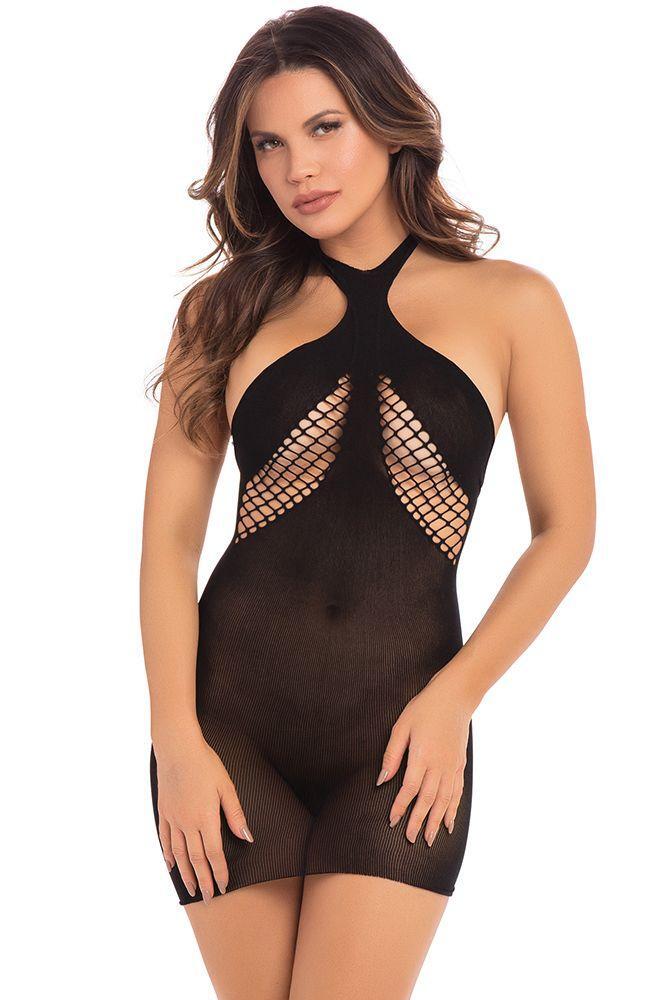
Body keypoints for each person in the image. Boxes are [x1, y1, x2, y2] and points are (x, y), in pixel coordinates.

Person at [140, 7, 595, 999]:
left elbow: (565, 532)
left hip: (400, 736)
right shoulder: (222, 311)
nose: (297, 167)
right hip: (229, 730)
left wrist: (456, 696)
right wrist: (175, 737)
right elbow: (169, 544)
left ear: (389, 122)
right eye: (268, 144)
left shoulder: (513, 302)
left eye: (324, 127)